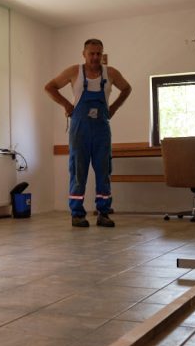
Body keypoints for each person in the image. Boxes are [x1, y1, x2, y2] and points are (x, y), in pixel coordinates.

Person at [45, 38, 132, 227]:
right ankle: (77, 214)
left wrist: (114, 108)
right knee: (78, 170)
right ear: (84, 54)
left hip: (102, 129)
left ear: (103, 55)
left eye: (98, 53)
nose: (95, 57)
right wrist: (67, 104)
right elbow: (49, 87)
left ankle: (103, 213)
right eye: (91, 53)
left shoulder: (111, 73)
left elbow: (127, 88)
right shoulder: (74, 72)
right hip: (79, 130)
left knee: (104, 171)